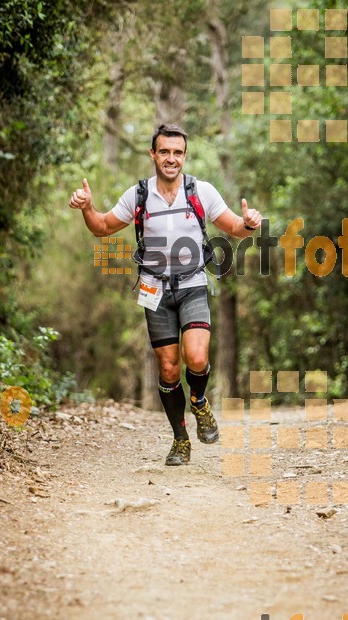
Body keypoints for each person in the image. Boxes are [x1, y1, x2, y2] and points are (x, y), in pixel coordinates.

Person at [69, 123, 262, 466]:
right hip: (153, 289)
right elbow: (101, 227)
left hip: (192, 283)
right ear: (153, 154)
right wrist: (87, 206)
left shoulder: (199, 191)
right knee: (169, 369)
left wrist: (249, 222)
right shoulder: (138, 195)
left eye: (177, 153)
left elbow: (233, 227)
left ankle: (200, 402)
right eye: (164, 152)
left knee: (197, 358)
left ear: (184, 156)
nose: (171, 159)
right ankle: (180, 440)